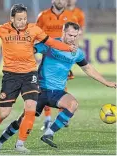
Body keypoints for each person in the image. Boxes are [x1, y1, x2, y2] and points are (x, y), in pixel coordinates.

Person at [0, 22, 116, 151]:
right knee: (22, 121)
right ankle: (0, 142)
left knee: (73, 104)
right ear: (63, 31)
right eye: (70, 35)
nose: (73, 38)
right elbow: (32, 49)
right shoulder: (50, 44)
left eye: (75, 36)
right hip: (40, 90)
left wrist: (106, 82)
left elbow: (88, 69)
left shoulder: (76, 53)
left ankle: (48, 134)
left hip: (57, 92)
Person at [0, 4, 77, 153]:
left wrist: (68, 48)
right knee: (3, 113)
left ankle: (20, 143)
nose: (23, 22)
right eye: (19, 19)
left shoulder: (33, 29)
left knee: (30, 109)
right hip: (10, 76)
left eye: (25, 18)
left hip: (30, 75)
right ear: (12, 18)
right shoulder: (3, 29)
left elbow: (51, 42)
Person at [36, 0, 85, 131]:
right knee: (46, 85)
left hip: (64, 56)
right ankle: (47, 119)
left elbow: (77, 36)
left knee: (61, 85)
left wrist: (73, 51)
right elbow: (37, 35)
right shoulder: (43, 16)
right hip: (48, 55)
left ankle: (61, 114)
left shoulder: (72, 16)